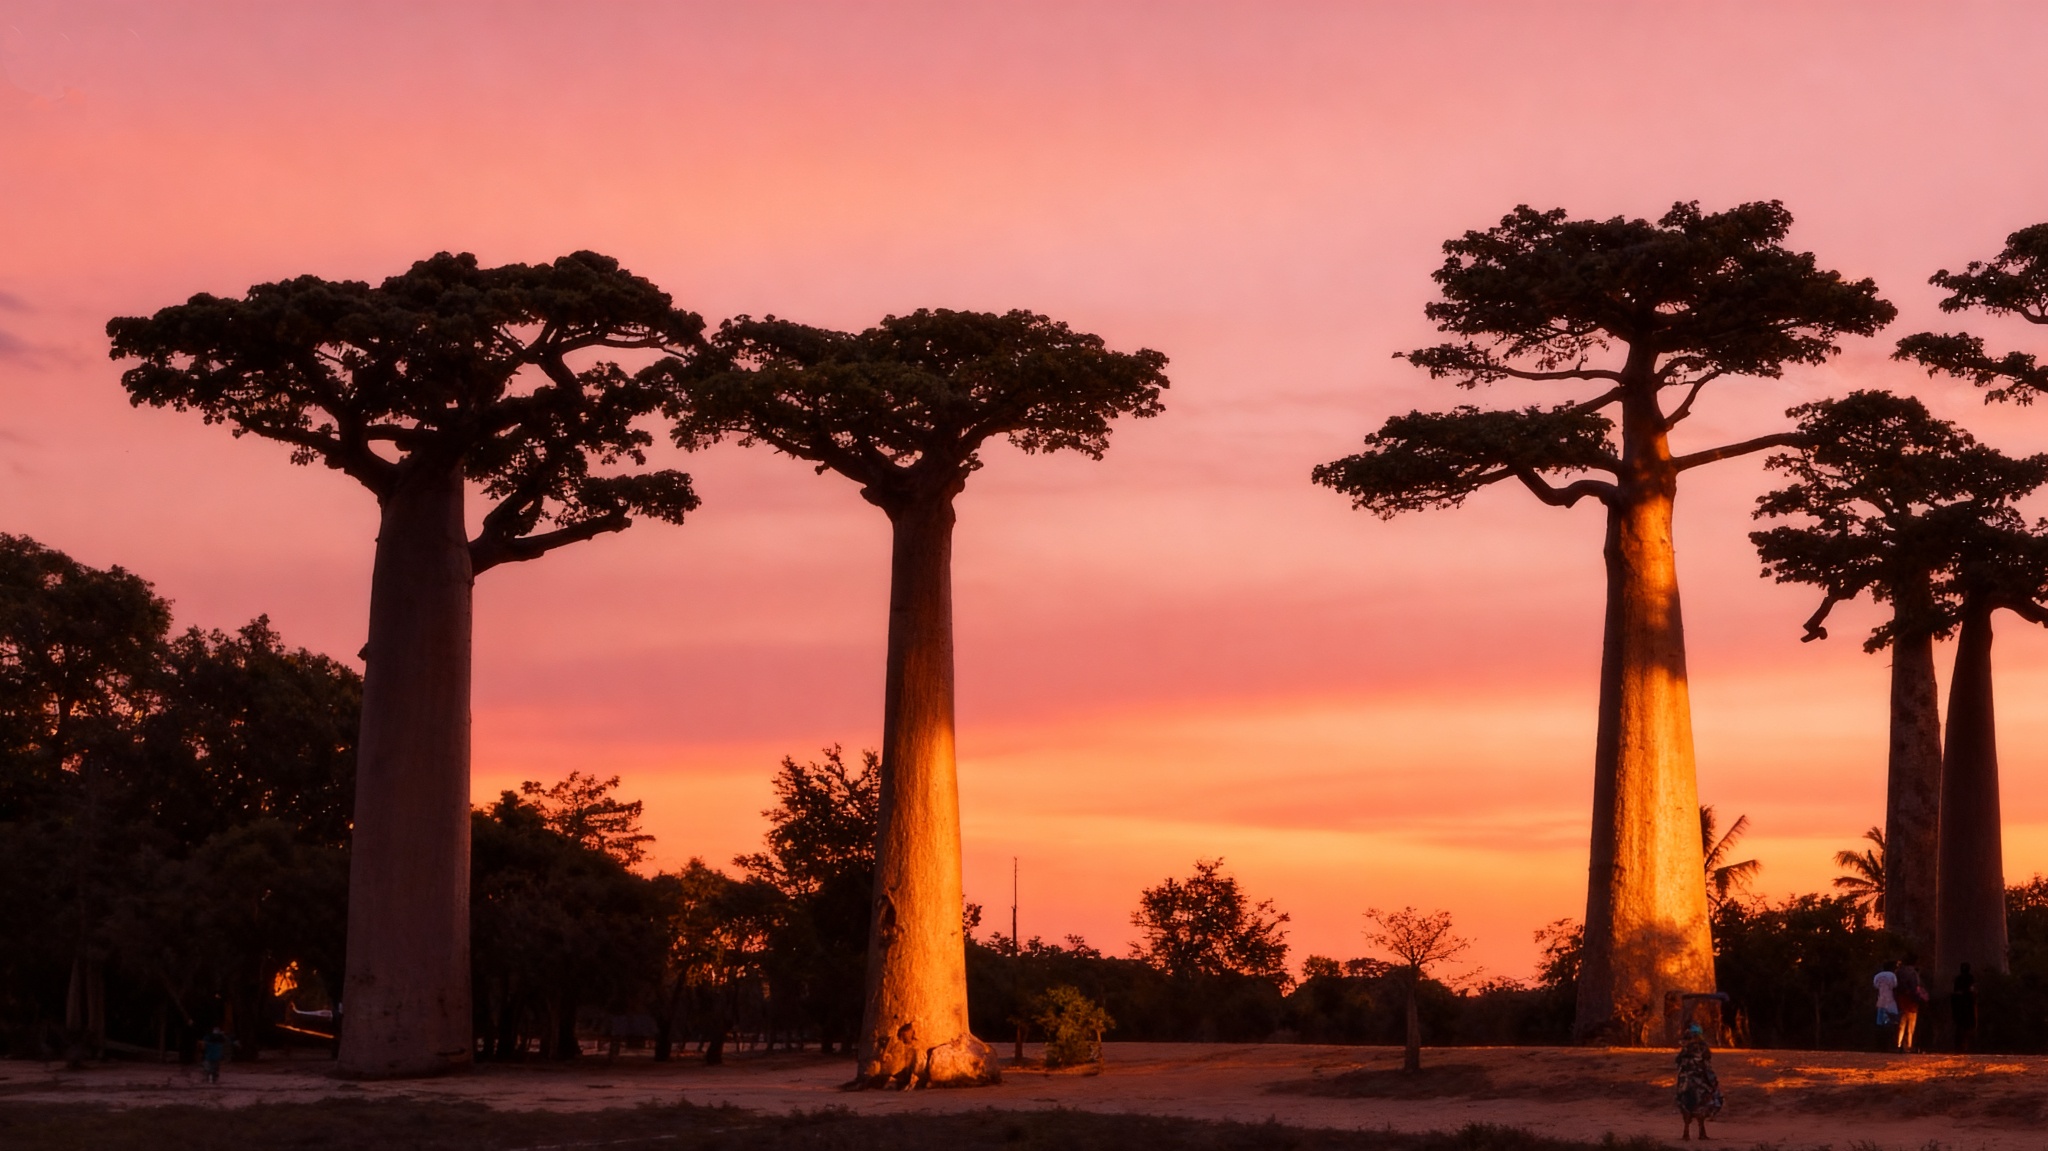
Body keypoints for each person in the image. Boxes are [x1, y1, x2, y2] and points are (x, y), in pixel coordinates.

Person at [1675, 1022, 1723, 1141]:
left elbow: (1678, 1061)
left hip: (1687, 1080)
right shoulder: (1702, 1047)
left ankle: (1687, 1133)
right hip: (1699, 1080)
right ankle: (1700, 1133)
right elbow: (1706, 1062)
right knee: (1701, 1104)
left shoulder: (1686, 1048)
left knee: (1686, 1103)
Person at [1895, 954, 1926, 1052]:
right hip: (1911, 1001)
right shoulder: (1913, 973)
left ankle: (1898, 1045)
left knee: (1901, 1023)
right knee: (1911, 1025)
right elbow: (1915, 987)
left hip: (1901, 999)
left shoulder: (1899, 971)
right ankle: (1909, 1045)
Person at [1872, 960, 1899, 1050]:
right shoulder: (1892, 976)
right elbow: (1895, 986)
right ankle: (1891, 1045)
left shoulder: (1877, 976)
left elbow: (1875, 986)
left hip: (1880, 1001)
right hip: (1890, 1002)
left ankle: (1879, 1045)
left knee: (1880, 1024)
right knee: (1893, 1023)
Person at [1951, 962, 1978, 1053]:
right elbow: (1972, 991)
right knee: (1967, 1026)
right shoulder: (1969, 979)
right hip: (1967, 1006)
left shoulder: (1958, 980)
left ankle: (1961, 1045)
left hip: (1961, 1007)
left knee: (1961, 1027)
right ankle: (1966, 1045)